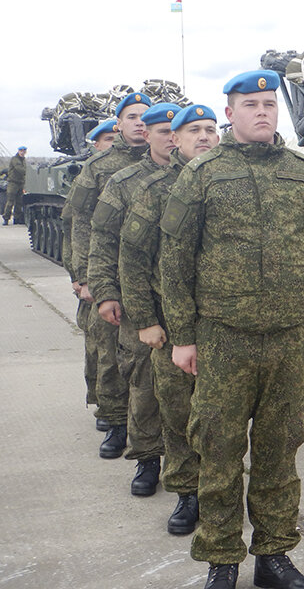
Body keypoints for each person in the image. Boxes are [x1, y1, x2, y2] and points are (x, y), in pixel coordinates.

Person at [159, 70, 304, 589]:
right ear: (230, 113)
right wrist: (183, 336)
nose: (263, 111)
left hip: (288, 339)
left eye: (269, 103)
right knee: (217, 450)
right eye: (251, 104)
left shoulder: (302, 173)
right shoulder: (203, 174)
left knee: (280, 450)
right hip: (222, 339)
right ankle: (221, 560)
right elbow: (175, 259)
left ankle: (274, 558)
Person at [119, 104, 219, 532]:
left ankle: (222, 493)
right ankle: (187, 493)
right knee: (178, 415)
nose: (204, 137)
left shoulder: (227, 180)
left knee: (221, 419)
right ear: (174, 138)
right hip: (172, 329)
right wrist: (144, 320)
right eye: (193, 129)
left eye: (211, 129)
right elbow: (133, 258)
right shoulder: (156, 189)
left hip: (224, 328)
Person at [89, 102, 180, 496]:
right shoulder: (124, 182)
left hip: (185, 307)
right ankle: (146, 460)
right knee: (143, 388)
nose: (169, 139)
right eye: (161, 131)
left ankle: (186, 469)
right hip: (139, 303)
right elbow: (103, 239)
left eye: (174, 131)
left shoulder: (197, 179)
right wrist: (104, 291)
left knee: (184, 398)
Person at [68, 92, 151, 459]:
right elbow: (80, 221)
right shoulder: (100, 167)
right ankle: (116, 422)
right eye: (131, 116)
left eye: (145, 117)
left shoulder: (164, 163)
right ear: (118, 124)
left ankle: (147, 430)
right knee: (109, 354)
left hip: (147, 279)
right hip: (108, 275)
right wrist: (83, 274)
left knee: (145, 360)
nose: (139, 122)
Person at [62, 119, 119, 431]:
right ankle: (106, 406)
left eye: (115, 138)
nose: (112, 143)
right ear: (95, 144)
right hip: (96, 273)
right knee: (100, 345)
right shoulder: (93, 171)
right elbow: (75, 228)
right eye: (107, 139)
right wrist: (79, 275)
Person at [3, 146, 27, 225]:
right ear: (18, 151)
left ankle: (17, 218)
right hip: (13, 183)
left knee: (19, 202)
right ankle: (6, 218)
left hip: (20, 183)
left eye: (24, 151)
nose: (22, 152)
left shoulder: (23, 160)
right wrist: (29, 172)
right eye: (21, 151)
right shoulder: (15, 159)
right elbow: (19, 169)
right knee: (10, 202)